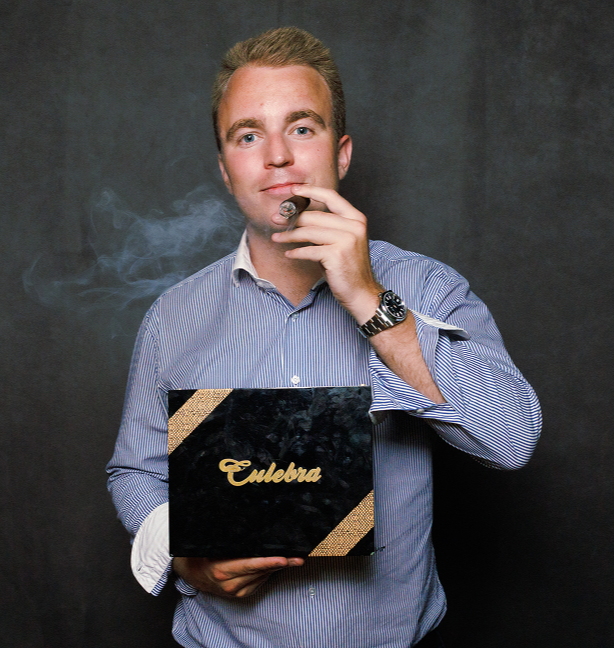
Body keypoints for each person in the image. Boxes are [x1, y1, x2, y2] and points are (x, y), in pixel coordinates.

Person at [107, 26, 541, 648]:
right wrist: (183, 558)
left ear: (341, 155)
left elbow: (513, 439)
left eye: (302, 128)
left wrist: (367, 297)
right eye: (248, 135)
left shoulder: (427, 286)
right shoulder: (172, 318)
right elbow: (136, 472)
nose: (277, 156)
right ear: (226, 170)